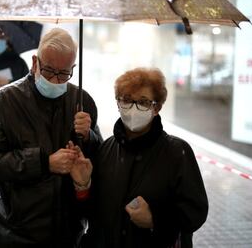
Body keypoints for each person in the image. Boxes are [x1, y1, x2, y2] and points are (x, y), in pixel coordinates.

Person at [0, 28, 103, 248]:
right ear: (35, 63)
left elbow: (99, 159)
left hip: (67, 234)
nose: (55, 79)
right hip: (14, 233)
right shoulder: (5, 101)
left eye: (64, 73)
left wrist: (89, 137)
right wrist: (44, 162)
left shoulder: (82, 101)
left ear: (73, 68)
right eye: (49, 71)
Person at [81, 67, 209, 247]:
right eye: (126, 100)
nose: (133, 108)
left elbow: (196, 212)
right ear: (118, 103)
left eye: (143, 102)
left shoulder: (177, 152)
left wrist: (155, 219)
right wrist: (82, 186)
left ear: (156, 107)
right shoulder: (106, 150)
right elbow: (94, 213)